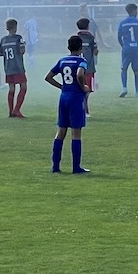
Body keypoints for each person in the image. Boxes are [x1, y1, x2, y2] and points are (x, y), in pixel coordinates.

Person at [45, 35, 91, 173]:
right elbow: (80, 74)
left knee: (61, 131)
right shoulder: (82, 61)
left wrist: (62, 87)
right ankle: (76, 168)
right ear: (81, 48)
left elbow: (48, 77)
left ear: (68, 47)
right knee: (76, 133)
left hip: (64, 97)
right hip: (75, 98)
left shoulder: (63, 60)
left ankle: (55, 167)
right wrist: (83, 87)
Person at [0, 18, 28, 118]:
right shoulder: (18, 38)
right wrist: (23, 45)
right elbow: (22, 51)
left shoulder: (3, 39)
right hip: (18, 67)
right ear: (15, 27)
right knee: (23, 87)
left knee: (11, 88)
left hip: (8, 67)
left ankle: (11, 111)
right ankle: (17, 110)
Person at [116, 4, 138, 98]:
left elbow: (119, 37)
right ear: (133, 10)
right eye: (136, 10)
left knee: (124, 68)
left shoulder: (122, 23)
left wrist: (124, 46)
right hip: (137, 48)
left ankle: (124, 88)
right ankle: (137, 92)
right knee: (137, 71)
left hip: (127, 48)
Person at [75, 17, 98, 113]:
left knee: (80, 88)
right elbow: (95, 51)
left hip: (76, 68)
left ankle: (82, 108)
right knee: (87, 89)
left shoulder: (76, 38)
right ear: (88, 26)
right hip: (88, 68)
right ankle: (85, 108)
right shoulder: (91, 38)